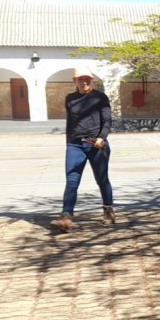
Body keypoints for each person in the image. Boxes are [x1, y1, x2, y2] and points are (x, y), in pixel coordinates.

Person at [50, 66, 115, 233]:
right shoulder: (70, 98)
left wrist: (102, 138)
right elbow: (70, 123)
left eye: (87, 79)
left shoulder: (100, 97)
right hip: (75, 144)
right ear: (75, 81)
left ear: (91, 80)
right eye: (80, 79)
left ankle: (108, 211)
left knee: (102, 179)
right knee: (72, 181)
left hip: (96, 144)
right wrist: (68, 143)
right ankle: (66, 217)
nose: (84, 81)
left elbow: (106, 119)